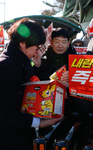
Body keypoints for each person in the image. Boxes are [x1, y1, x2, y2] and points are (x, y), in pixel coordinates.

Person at [0, 18, 62, 150]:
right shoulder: (4, 66)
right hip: (9, 136)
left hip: (23, 129)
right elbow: (6, 113)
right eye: (37, 46)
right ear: (22, 43)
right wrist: (40, 123)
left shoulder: (23, 58)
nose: (38, 50)